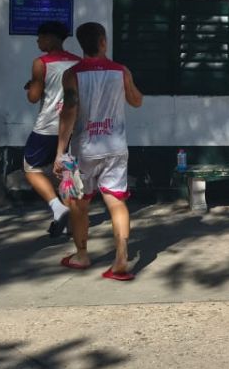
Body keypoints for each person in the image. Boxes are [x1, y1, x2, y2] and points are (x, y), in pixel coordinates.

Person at [55, 22, 143, 280]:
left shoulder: (72, 74)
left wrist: (60, 151)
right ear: (103, 42)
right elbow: (136, 101)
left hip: (85, 149)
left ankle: (82, 255)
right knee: (116, 202)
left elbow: (69, 112)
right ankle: (121, 258)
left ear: (81, 44)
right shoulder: (121, 71)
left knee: (79, 204)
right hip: (116, 147)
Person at [22, 22, 80, 237]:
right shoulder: (78, 62)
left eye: (40, 37)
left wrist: (31, 86)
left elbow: (33, 97)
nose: (38, 41)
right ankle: (69, 225)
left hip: (48, 127)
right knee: (67, 173)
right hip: (73, 127)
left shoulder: (41, 63)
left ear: (50, 37)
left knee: (31, 169)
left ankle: (58, 208)